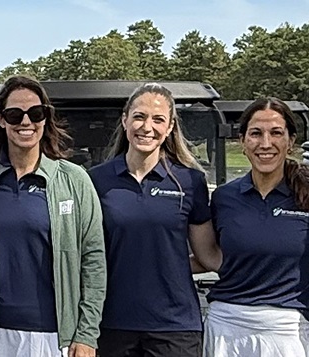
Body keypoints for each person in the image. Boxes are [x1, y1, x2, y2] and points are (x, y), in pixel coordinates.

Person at [0, 76, 106, 357]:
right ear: (1, 120)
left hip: (58, 335)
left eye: (35, 113)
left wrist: (87, 334)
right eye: (15, 114)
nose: (26, 122)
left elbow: (93, 259)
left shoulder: (74, 180)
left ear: (45, 118)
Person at [88, 83, 213, 357]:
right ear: (125, 121)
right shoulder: (95, 180)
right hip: (111, 324)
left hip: (175, 327)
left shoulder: (190, 182)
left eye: (158, 119)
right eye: (139, 117)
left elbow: (208, 257)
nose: (147, 127)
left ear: (169, 127)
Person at [189, 97, 309, 357]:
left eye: (276, 133)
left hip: (287, 331)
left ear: (291, 141)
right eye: (256, 134)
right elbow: (213, 257)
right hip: (226, 327)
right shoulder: (224, 197)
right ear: (243, 141)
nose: (266, 143)